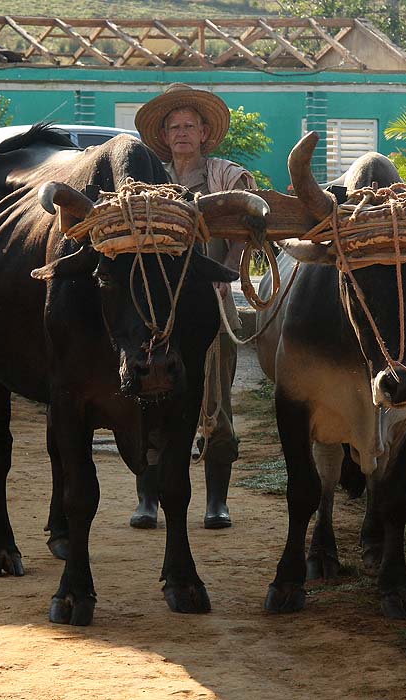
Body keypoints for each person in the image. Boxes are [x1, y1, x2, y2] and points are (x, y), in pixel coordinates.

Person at [135, 83, 255, 529]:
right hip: (157, 310)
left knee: (217, 405)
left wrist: (224, 277)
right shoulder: (149, 180)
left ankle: (216, 502)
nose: (182, 133)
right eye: (174, 127)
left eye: (189, 125)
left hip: (214, 305)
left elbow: (244, 234)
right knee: (150, 398)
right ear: (164, 136)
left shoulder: (227, 176)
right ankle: (148, 497)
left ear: (205, 132)